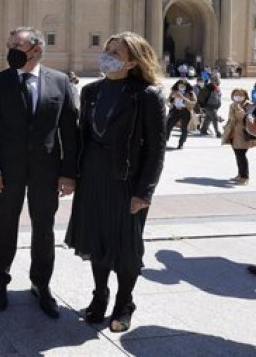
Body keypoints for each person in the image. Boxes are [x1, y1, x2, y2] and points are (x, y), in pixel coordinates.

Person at [65, 32, 166, 334]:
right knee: (96, 240)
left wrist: (144, 191)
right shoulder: (91, 91)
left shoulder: (146, 95)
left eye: (116, 53)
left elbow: (156, 149)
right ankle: (99, 295)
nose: (108, 55)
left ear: (133, 61)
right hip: (93, 174)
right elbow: (81, 136)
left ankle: (124, 303)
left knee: (126, 246)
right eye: (108, 50)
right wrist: (72, 173)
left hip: (126, 179)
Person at [0, 28, 79, 319]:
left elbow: (70, 131)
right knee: (5, 225)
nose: (10, 49)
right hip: (8, 171)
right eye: (9, 44)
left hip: (46, 172)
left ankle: (41, 284)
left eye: (16, 45)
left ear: (35, 49)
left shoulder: (60, 82)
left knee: (44, 230)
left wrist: (68, 173)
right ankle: (0, 279)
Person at [221, 88, 256, 186]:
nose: (238, 96)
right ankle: (240, 174)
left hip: (243, 133)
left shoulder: (249, 105)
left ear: (245, 95)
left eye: (241, 94)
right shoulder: (232, 105)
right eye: (236, 94)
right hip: (233, 133)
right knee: (238, 155)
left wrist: (238, 109)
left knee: (241, 155)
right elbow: (231, 118)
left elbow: (244, 118)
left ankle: (245, 177)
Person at [165, 79, 197, 150]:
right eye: (180, 85)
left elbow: (194, 102)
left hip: (185, 111)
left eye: (183, 85)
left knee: (184, 128)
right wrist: (170, 103)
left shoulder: (190, 92)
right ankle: (164, 141)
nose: (181, 87)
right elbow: (168, 100)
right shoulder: (174, 91)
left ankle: (181, 143)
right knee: (168, 125)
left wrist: (183, 97)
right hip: (175, 110)